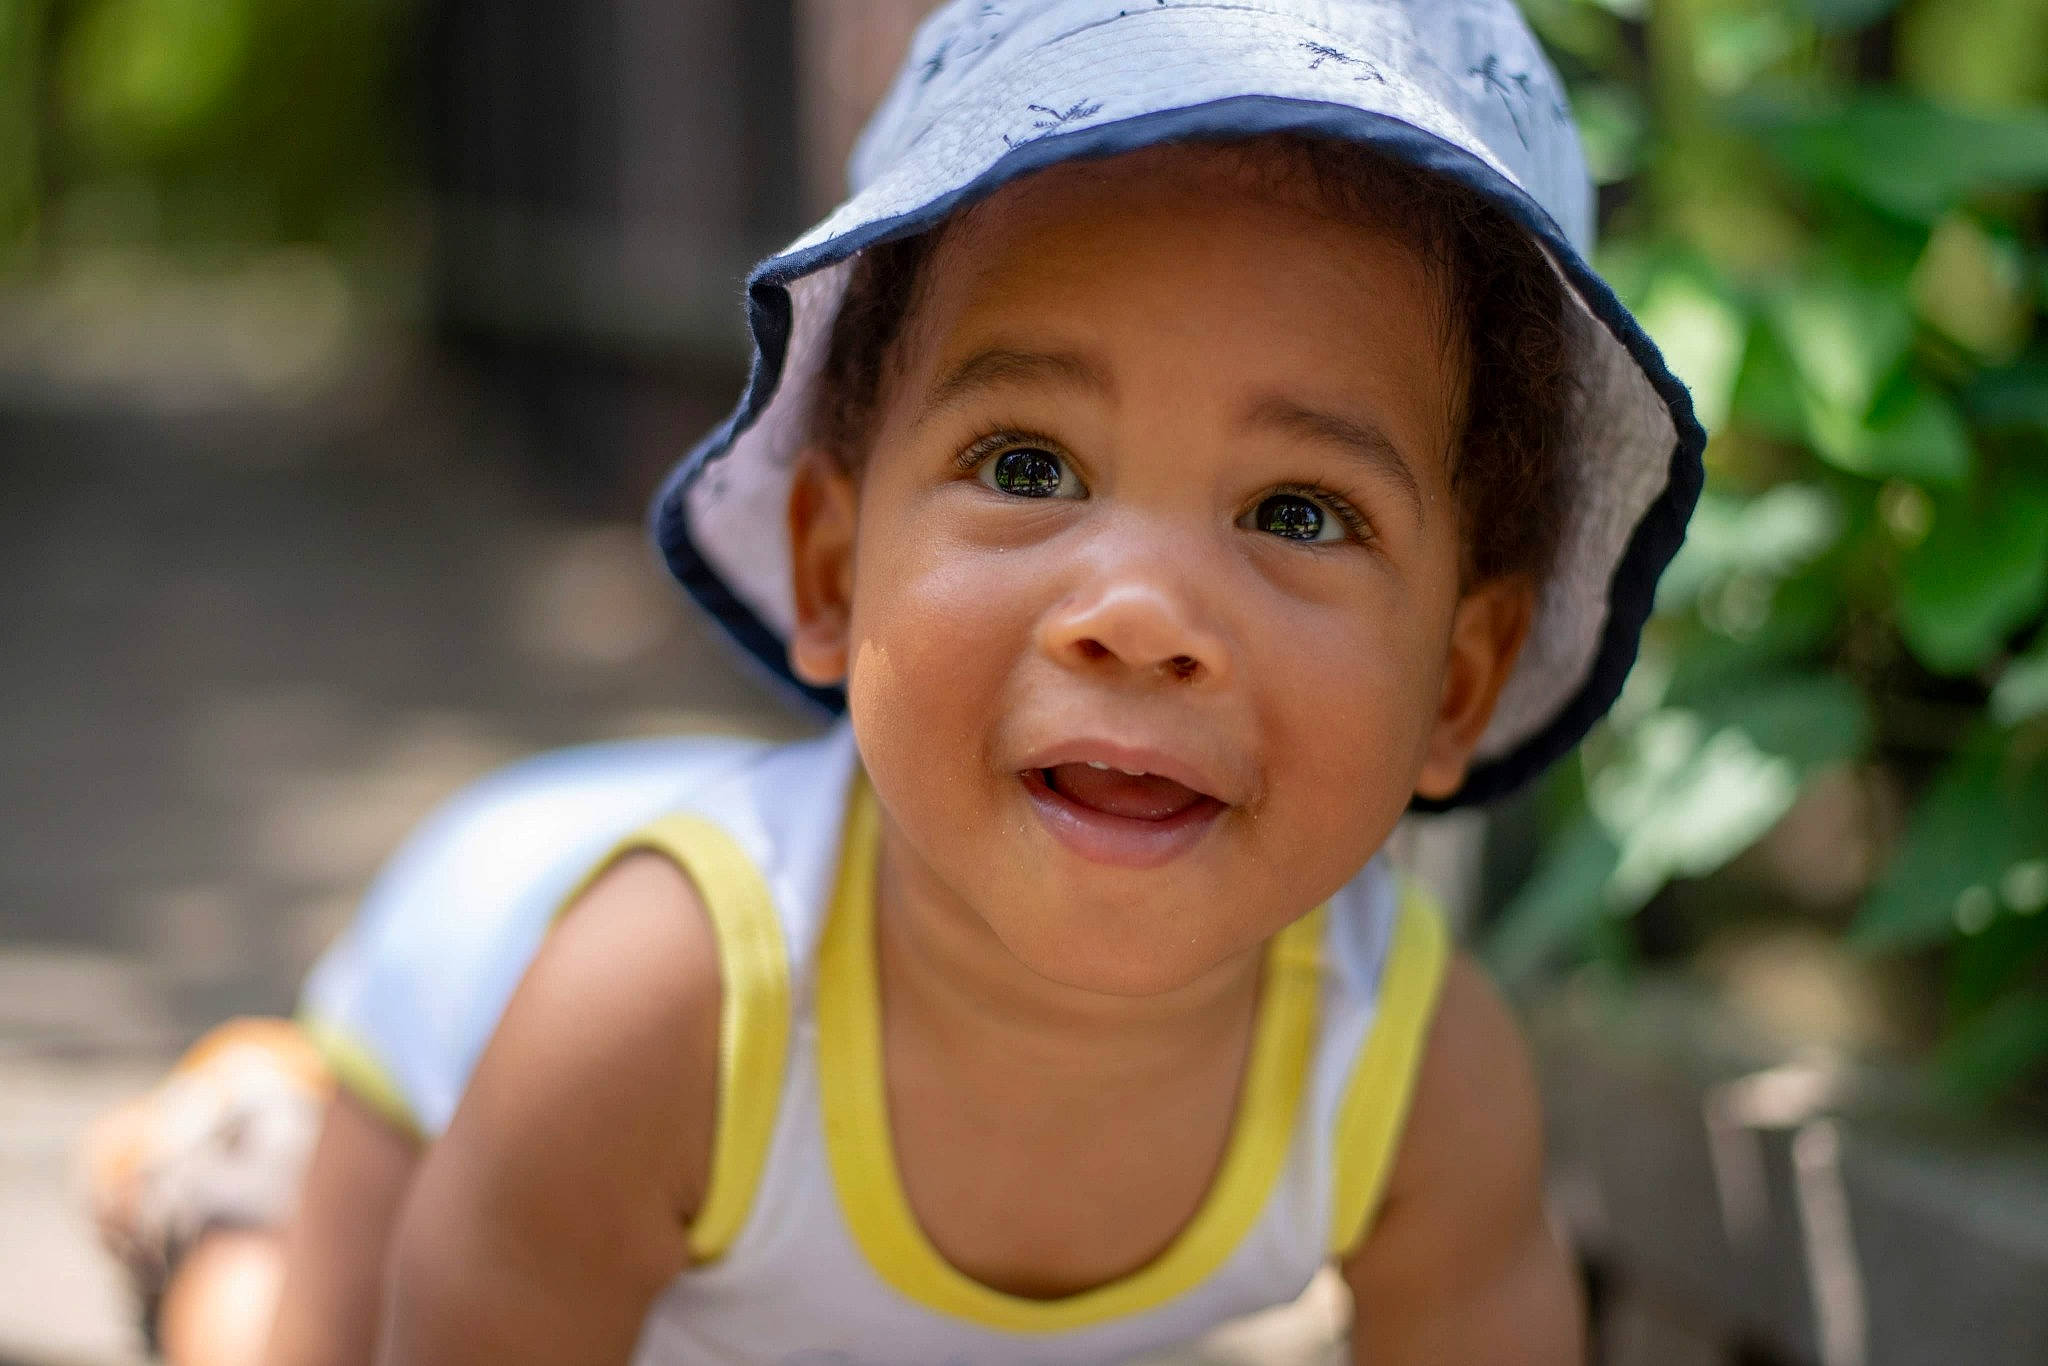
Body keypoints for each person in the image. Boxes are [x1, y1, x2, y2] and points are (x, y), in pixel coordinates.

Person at [89, 1, 1705, 1361]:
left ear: (1457, 681)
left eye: (1299, 511)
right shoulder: (658, 1006)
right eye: (1027, 460)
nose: (1140, 615)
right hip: (472, 1025)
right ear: (829, 565)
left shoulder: (1415, 1069)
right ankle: (223, 1174)